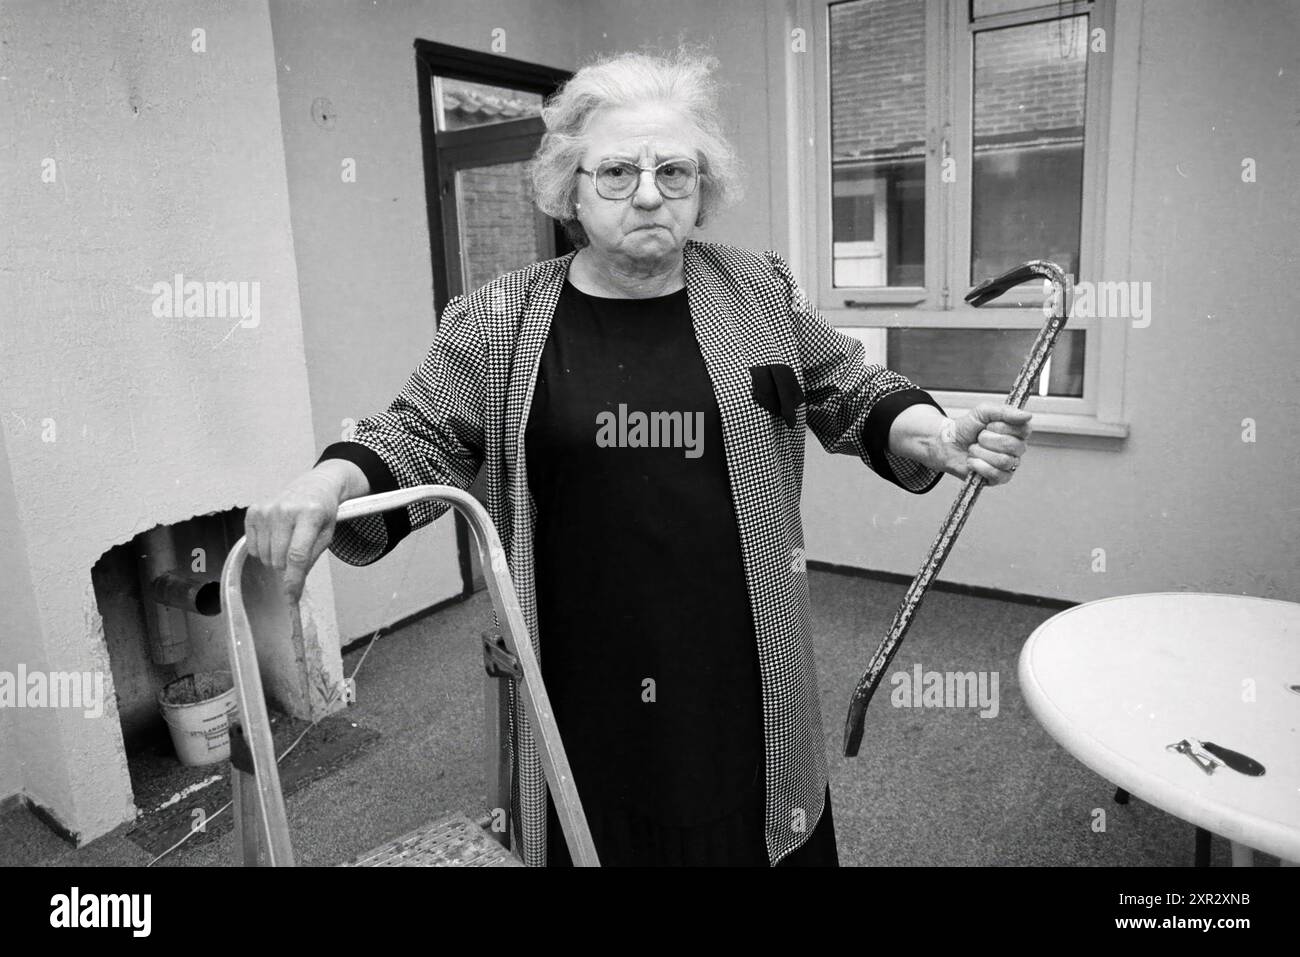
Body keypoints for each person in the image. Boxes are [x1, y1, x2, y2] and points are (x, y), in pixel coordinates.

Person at [244, 47, 1032, 867]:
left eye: (674, 172)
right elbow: (419, 434)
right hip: (578, 669)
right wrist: (332, 477)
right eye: (617, 172)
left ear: (703, 187)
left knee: (755, 825)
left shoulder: (757, 289)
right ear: (569, 189)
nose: (649, 193)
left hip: (745, 657)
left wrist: (932, 433)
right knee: (595, 833)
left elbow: (848, 388)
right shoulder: (500, 319)